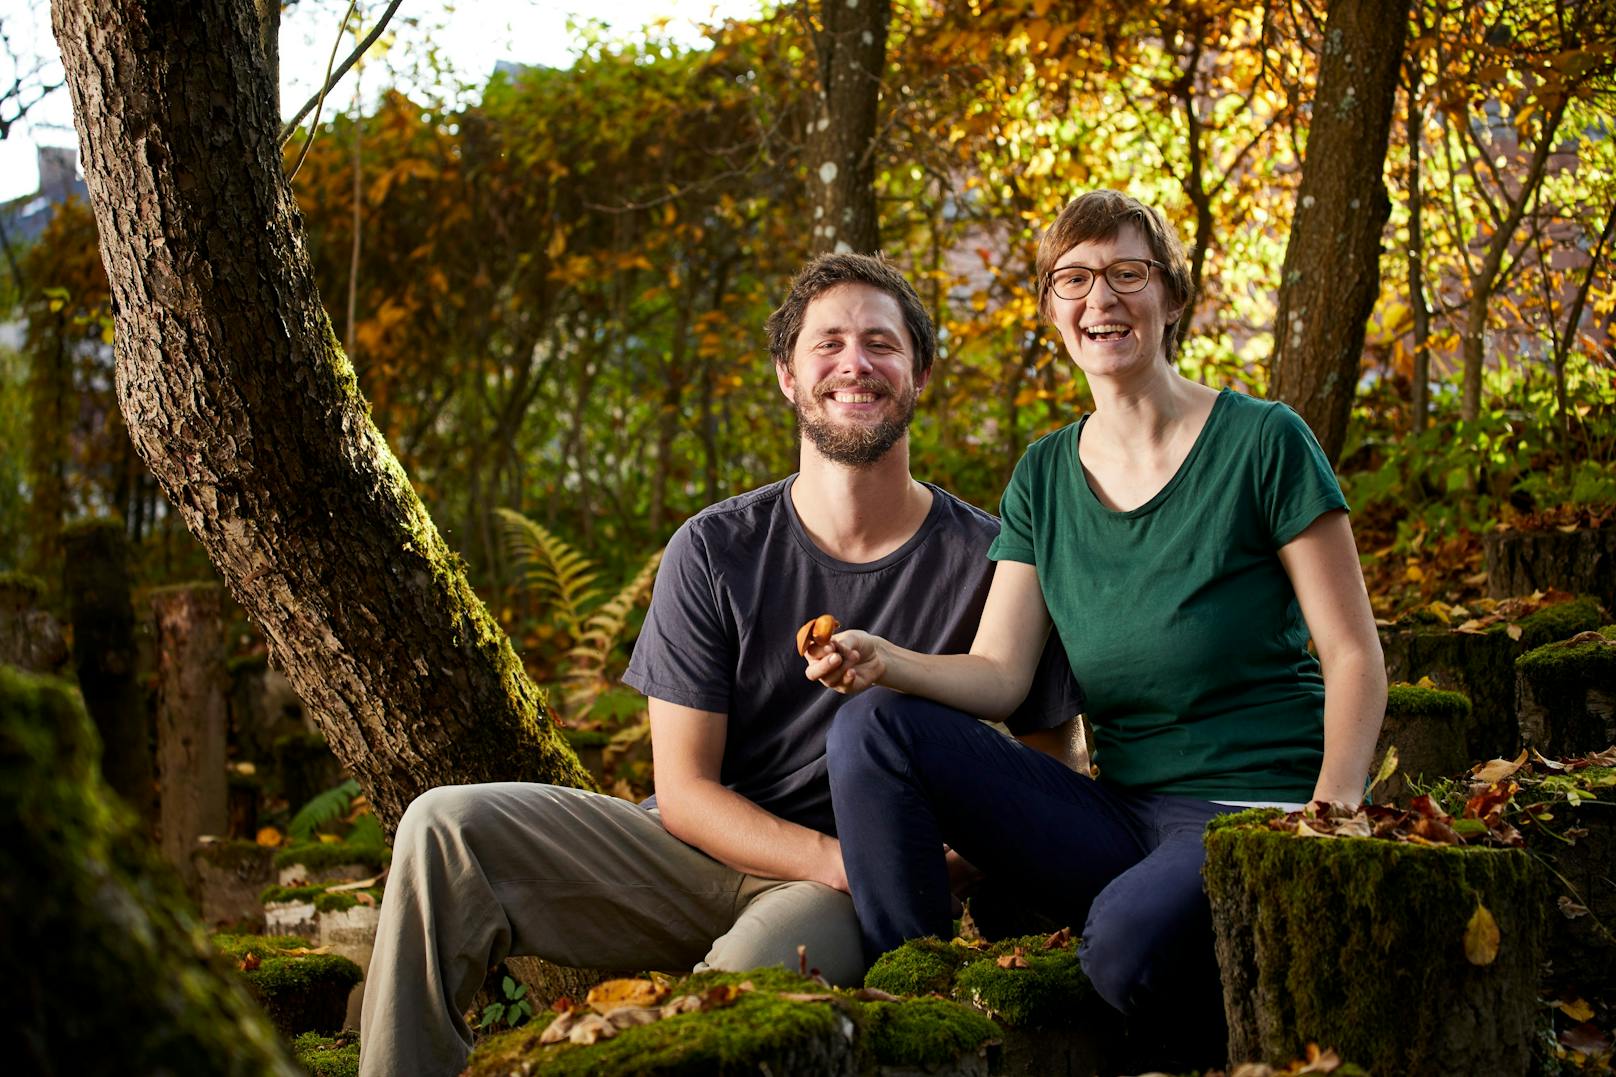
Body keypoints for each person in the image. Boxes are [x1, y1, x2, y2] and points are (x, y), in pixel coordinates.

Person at [358, 252, 1083, 1077]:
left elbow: (1050, 762)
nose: (856, 363)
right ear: (786, 375)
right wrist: (832, 858)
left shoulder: (994, 557)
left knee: (726, 1005)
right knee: (442, 826)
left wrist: (931, 866)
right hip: (696, 855)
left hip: (838, 896)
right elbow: (688, 788)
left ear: (920, 371)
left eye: (881, 343)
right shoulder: (713, 547)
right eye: (829, 343)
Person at [805, 191, 1387, 1063]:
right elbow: (1001, 672)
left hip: (1253, 810)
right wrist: (887, 661)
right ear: (1051, 310)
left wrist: (1333, 814)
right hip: (1122, 813)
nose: (1100, 300)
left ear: (1172, 298)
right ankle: (920, 1006)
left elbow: (1353, 653)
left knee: (1121, 945)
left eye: (1127, 274)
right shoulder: (1043, 473)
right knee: (872, 724)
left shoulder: (1265, 442)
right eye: (1074, 280)